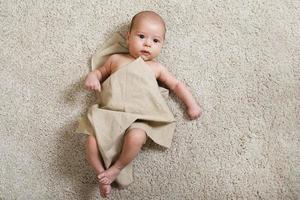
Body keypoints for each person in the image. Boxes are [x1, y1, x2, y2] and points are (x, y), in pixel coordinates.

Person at [83, 11, 201, 198]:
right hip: (109, 114)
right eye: (141, 36)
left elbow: (176, 85)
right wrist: (92, 77)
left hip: (139, 117)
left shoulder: (157, 68)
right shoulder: (116, 60)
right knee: (90, 141)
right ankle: (101, 174)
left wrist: (191, 104)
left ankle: (117, 168)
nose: (147, 44)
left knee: (137, 137)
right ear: (128, 37)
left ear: (162, 45)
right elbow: (99, 72)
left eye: (156, 41)